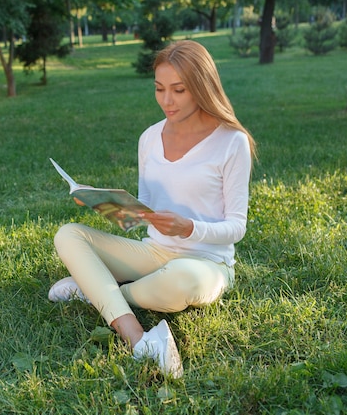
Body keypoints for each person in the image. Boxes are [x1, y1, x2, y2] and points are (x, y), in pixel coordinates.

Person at [48, 40, 256, 378]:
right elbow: (145, 209)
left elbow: (237, 227)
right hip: (154, 252)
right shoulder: (149, 138)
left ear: (202, 88)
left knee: (179, 282)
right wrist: (106, 204)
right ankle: (138, 338)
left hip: (208, 264)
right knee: (69, 235)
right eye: (160, 89)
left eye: (179, 90)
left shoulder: (231, 142)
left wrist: (188, 227)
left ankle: (96, 291)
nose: (167, 101)